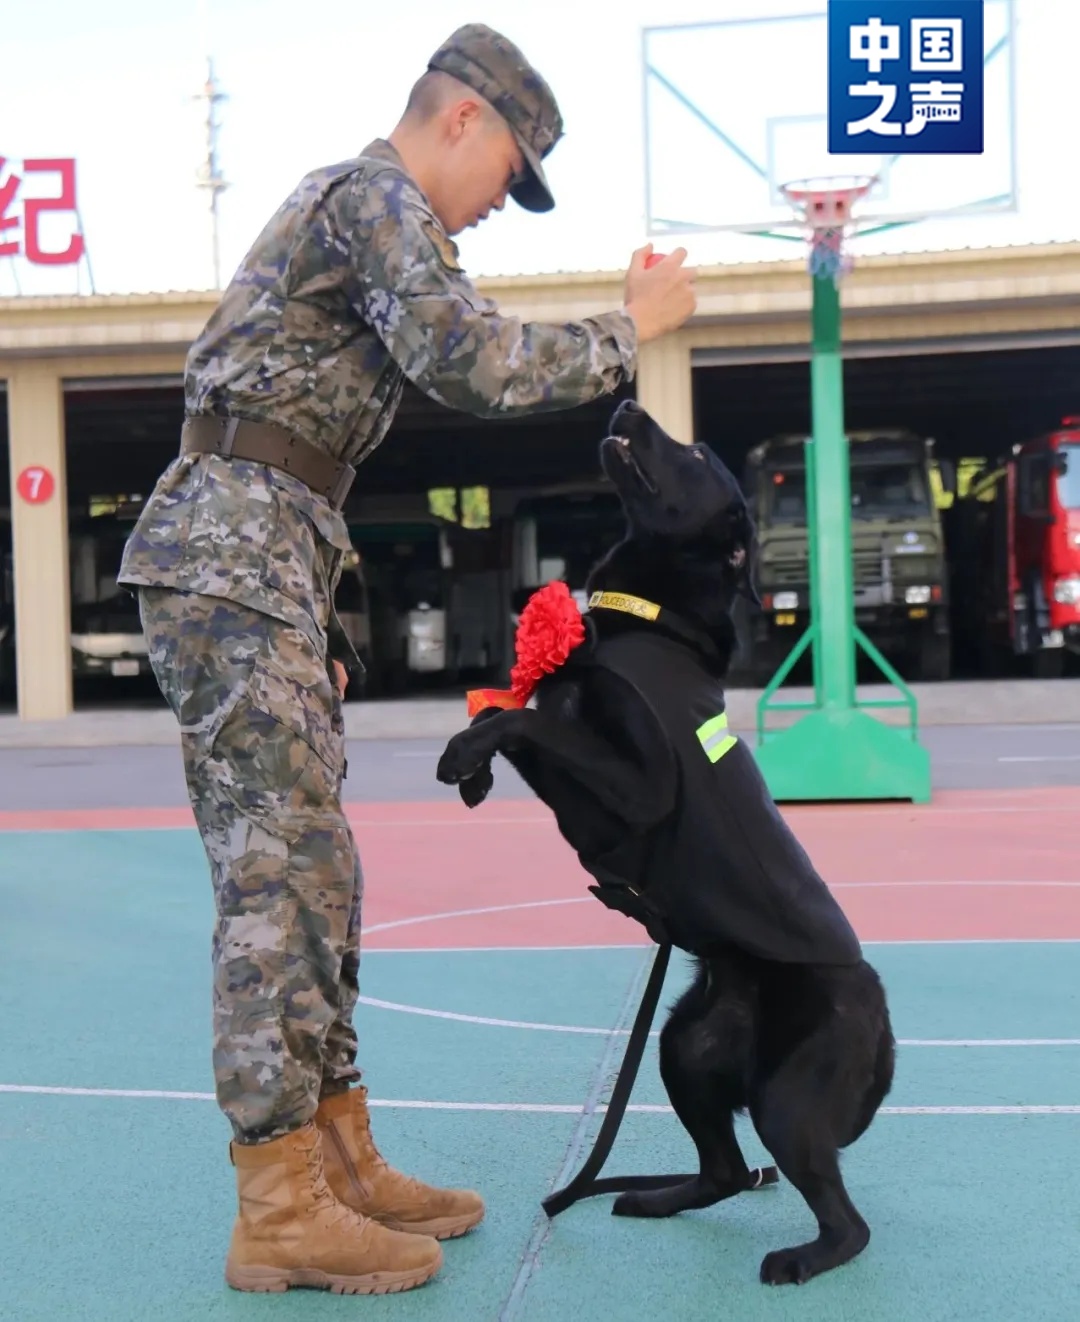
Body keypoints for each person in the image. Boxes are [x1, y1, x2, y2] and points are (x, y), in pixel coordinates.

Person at [118, 20, 697, 1298]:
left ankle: (337, 1159)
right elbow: (474, 363)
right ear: (459, 121)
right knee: (279, 879)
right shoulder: (375, 196)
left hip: (270, 559)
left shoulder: (377, 214)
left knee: (315, 869)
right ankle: (278, 1204)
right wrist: (630, 324)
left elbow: (315, 434)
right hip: (230, 556)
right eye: (508, 173)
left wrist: (319, 621)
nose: (500, 207)